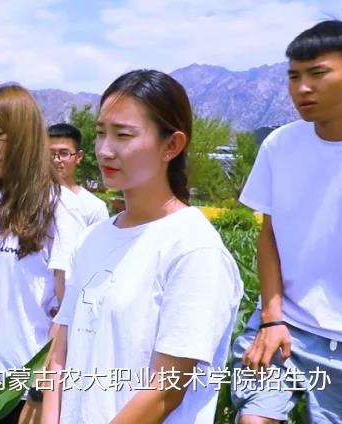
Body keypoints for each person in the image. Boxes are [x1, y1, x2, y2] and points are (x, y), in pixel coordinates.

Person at [40, 70, 243, 423]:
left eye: (123, 135)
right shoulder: (92, 238)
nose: (105, 149)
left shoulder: (194, 249)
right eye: (101, 133)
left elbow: (167, 389)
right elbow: (60, 353)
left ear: (171, 145)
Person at [231, 20, 342, 424]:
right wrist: (271, 317)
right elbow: (269, 234)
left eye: (317, 73)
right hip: (286, 327)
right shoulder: (280, 145)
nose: (302, 88)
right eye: (293, 76)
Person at [0, 86, 79, 423]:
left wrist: (41, 390)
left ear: (26, 134)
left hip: (19, 388)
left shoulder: (59, 208)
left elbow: (68, 314)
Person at [48, 123, 110, 228]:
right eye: (50, 153)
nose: (56, 160)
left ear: (79, 156)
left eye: (64, 153)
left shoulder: (94, 208)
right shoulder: (31, 199)